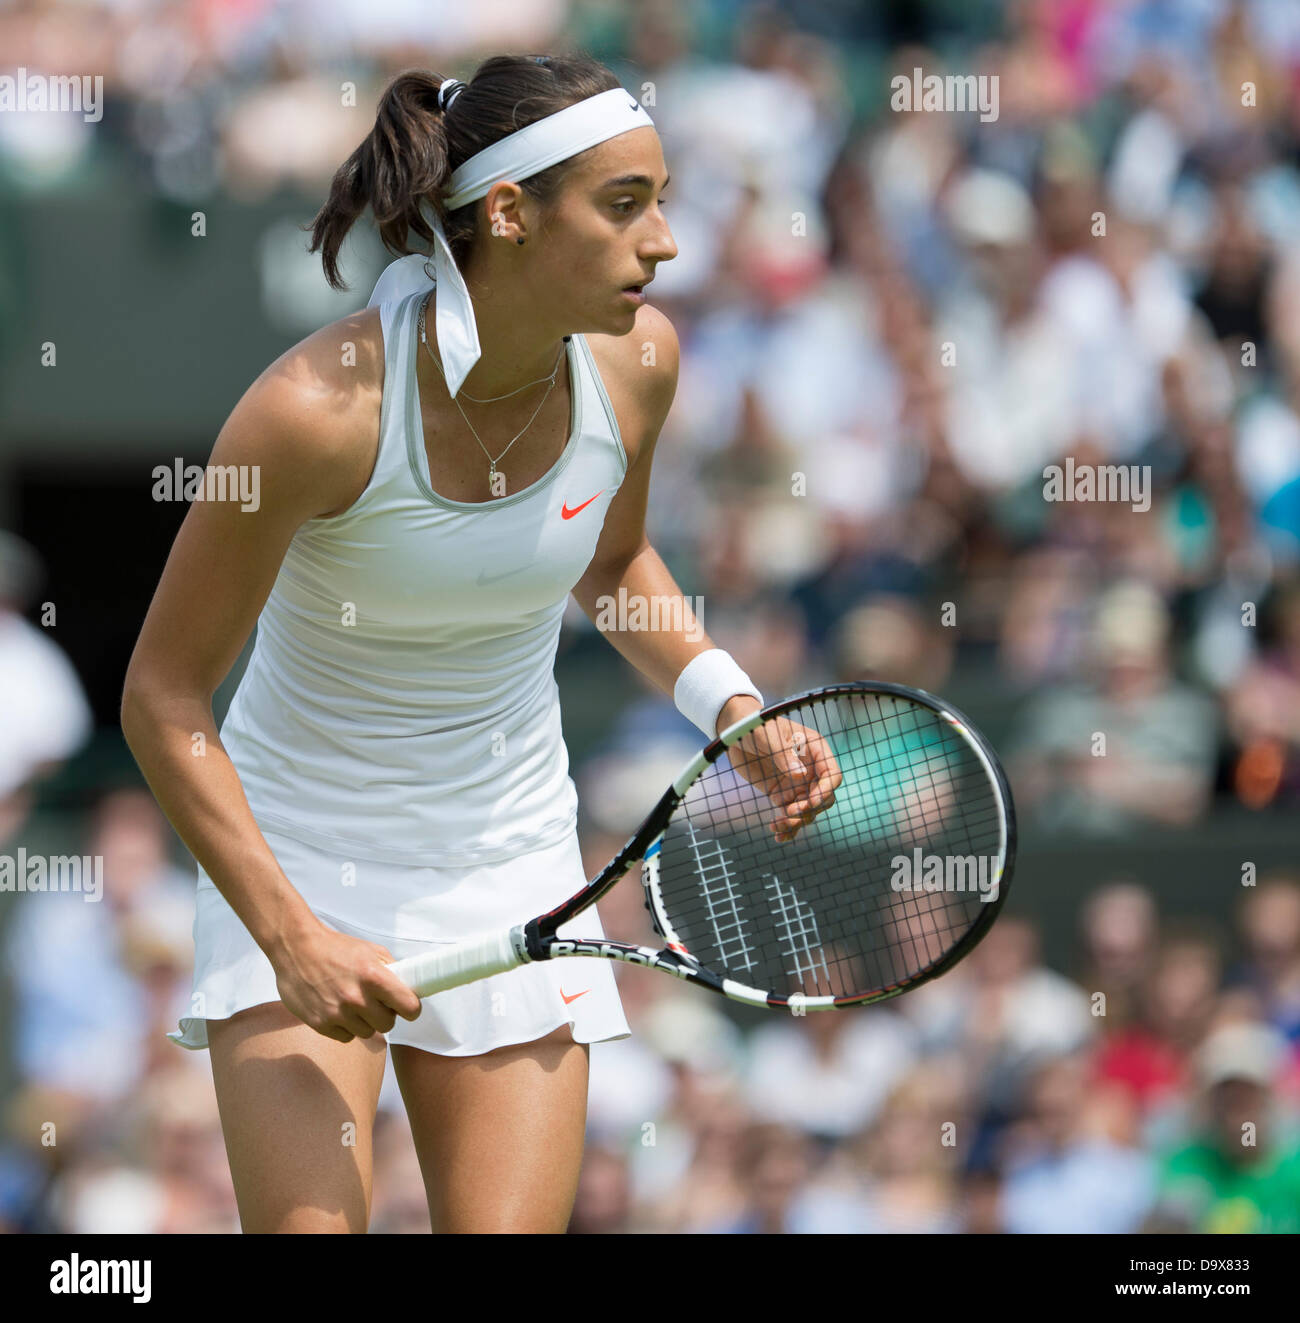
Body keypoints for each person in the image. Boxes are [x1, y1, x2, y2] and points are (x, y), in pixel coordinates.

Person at [121, 52, 833, 1234]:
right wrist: (289, 934)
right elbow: (164, 696)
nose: (664, 245)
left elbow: (613, 565)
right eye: (623, 206)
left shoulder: (641, 363)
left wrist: (731, 710)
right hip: (301, 855)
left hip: (510, 859)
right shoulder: (315, 413)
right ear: (506, 213)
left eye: (662, 202)